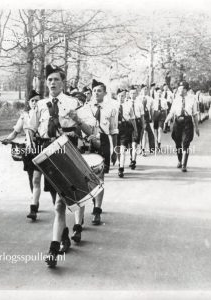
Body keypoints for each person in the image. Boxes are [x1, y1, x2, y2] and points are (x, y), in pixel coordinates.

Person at [27, 64, 88, 267]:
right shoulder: (40, 105)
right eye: (50, 80)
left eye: (57, 80)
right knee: (56, 200)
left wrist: (77, 120)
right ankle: (64, 237)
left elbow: (89, 130)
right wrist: (29, 139)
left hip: (66, 150)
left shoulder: (74, 103)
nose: (52, 83)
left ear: (63, 83)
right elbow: (31, 127)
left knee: (61, 204)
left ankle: (53, 250)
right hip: (47, 151)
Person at [81, 79, 117, 224]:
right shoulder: (84, 109)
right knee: (86, 177)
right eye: (94, 91)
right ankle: (87, 204)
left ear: (105, 93)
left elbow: (114, 131)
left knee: (100, 178)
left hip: (103, 143)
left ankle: (97, 210)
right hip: (87, 144)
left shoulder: (111, 109)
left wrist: (115, 150)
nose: (96, 93)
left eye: (99, 90)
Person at [1, 90, 41, 220]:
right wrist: (8, 139)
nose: (35, 103)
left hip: (41, 148)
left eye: (37, 100)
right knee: (31, 177)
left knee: (36, 179)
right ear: (29, 103)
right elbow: (15, 132)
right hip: (28, 150)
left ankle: (33, 207)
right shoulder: (24, 115)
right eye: (32, 100)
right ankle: (35, 201)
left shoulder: (44, 114)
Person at [164, 81, 200, 172]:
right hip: (177, 123)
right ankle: (180, 160)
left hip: (187, 122)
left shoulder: (192, 99)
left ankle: (184, 164)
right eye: (179, 88)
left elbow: (195, 114)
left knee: (186, 143)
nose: (179, 90)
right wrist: (166, 121)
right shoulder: (176, 100)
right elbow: (171, 112)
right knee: (177, 143)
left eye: (181, 88)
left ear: (185, 90)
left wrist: (197, 127)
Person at [115, 89, 137, 178]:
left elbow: (132, 119)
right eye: (119, 96)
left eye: (123, 96)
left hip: (125, 128)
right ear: (117, 96)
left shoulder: (129, 106)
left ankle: (121, 168)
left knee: (122, 149)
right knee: (117, 149)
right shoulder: (113, 106)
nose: (121, 98)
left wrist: (135, 130)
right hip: (115, 129)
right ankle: (120, 163)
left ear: (125, 96)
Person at [128, 85, 145, 170]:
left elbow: (142, 116)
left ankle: (134, 160)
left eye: (134, 93)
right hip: (128, 124)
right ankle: (131, 157)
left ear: (137, 94)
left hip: (137, 123)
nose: (132, 95)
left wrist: (143, 125)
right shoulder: (126, 103)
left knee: (135, 143)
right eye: (131, 93)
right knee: (130, 144)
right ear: (128, 94)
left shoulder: (139, 103)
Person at [138, 84, 155, 155]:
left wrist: (152, 118)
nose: (145, 90)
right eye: (143, 89)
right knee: (142, 133)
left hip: (147, 116)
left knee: (150, 133)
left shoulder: (150, 99)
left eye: (146, 89)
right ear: (141, 90)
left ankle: (152, 149)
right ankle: (141, 149)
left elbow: (151, 109)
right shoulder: (138, 98)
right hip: (140, 116)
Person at [152, 86, 168, 150]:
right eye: (158, 92)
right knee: (155, 130)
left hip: (162, 114)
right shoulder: (153, 100)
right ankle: (156, 142)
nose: (159, 93)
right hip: (155, 114)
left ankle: (159, 143)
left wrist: (166, 119)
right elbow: (152, 109)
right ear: (156, 93)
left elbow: (166, 110)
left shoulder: (164, 100)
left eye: (160, 92)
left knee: (160, 130)